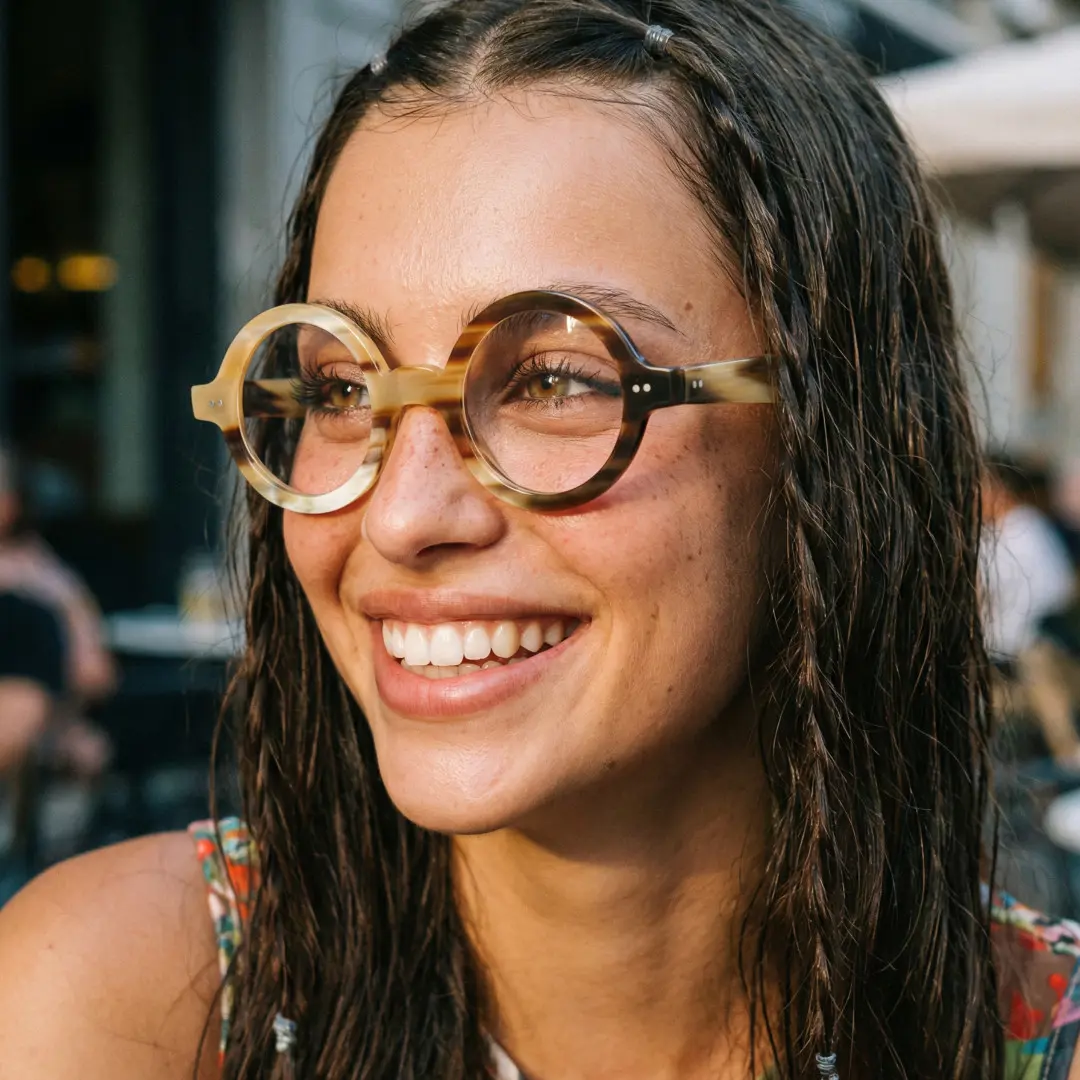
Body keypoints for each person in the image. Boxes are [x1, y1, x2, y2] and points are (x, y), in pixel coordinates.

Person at [0, 2, 1076, 1078]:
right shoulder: (120, 1009)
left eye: (557, 379)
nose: (403, 516)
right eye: (340, 386)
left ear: (836, 437)